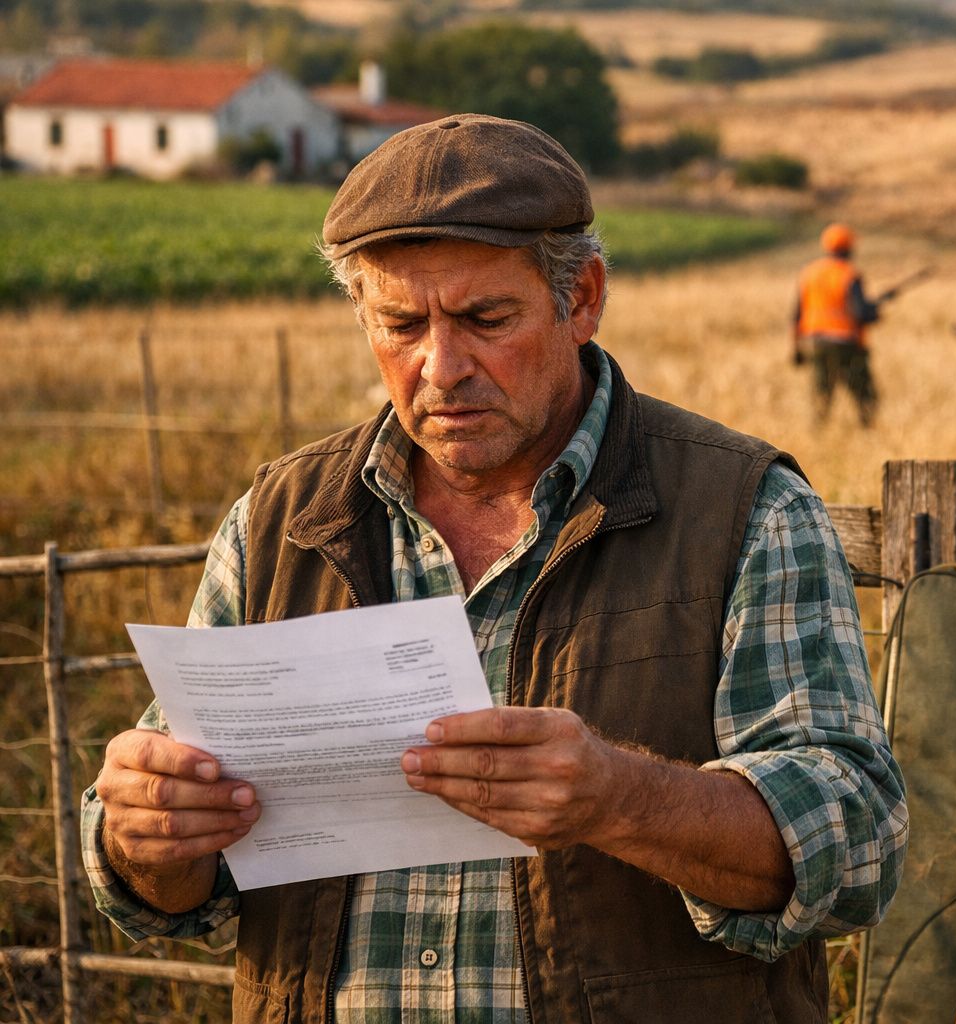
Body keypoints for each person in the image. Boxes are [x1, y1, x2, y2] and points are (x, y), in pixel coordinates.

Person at [81, 114, 907, 1023]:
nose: (441, 367)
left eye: (486, 319)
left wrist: (620, 797)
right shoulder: (278, 523)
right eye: (400, 323)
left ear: (582, 298)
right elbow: (165, 889)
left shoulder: (746, 510)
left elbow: (858, 846)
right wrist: (147, 836)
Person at [793, 223, 882, 427]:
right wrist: (874, 312)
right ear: (849, 247)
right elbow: (860, 313)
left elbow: (796, 314)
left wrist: (795, 347)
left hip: (816, 341)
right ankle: (866, 428)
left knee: (821, 392)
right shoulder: (849, 274)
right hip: (845, 342)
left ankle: (819, 429)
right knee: (863, 392)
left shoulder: (809, 272)